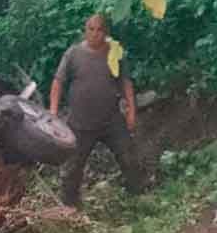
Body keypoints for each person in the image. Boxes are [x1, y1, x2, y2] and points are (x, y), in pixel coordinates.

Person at [49, 14, 145, 207]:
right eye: (90, 29)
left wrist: (132, 110)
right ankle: (69, 208)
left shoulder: (114, 54)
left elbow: (125, 82)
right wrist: (53, 113)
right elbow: (58, 82)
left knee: (128, 157)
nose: (94, 34)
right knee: (72, 168)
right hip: (80, 123)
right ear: (85, 30)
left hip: (111, 120)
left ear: (106, 32)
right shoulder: (73, 53)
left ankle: (138, 197)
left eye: (99, 29)